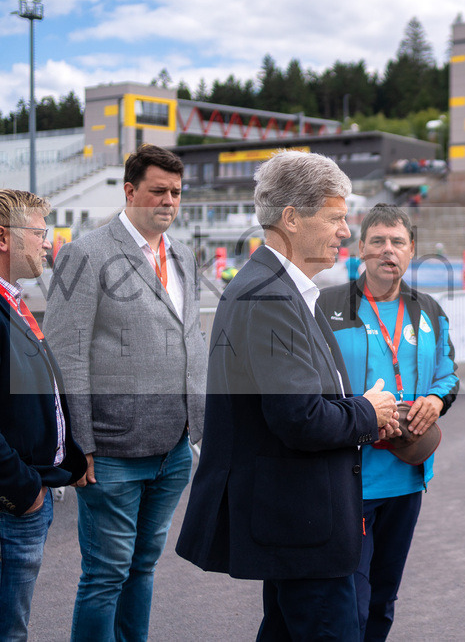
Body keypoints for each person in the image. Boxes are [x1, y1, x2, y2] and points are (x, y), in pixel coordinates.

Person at [175, 151, 400, 639]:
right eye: (336, 217)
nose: (345, 231)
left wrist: (358, 408)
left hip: (300, 523)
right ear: (292, 219)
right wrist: (367, 411)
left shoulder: (281, 289)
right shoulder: (271, 296)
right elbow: (299, 418)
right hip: (303, 528)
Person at [43, 144, 207, 641]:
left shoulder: (182, 255)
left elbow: (188, 337)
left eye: (176, 192)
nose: (169, 201)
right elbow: (65, 354)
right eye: (158, 190)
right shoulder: (85, 254)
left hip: (175, 446)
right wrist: (80, 443)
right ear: (130, 191)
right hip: (111, 450)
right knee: (106, 574)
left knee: (142, 567)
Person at [318, 204, 459, 640]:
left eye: (397, 242)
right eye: (377, 241)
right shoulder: (327, 306)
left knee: (382, 601)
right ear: (360, 248)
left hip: (407, 476)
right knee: (350, 603)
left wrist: (435, 400)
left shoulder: (430, 310)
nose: (387, 250)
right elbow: (310, 382)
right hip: (349, 479)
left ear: (411, 250)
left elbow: (448, 372)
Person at [1, 190, 87, 640]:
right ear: (3, 238)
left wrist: (68, 459)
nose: (46, 244)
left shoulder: (13, 300)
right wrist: (23, 490)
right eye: (38, 233)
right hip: (13, 501)